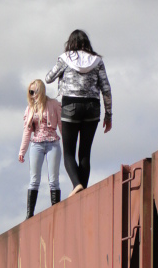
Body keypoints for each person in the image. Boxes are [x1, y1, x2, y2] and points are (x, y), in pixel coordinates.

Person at [45, 29, 112, 196]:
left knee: (69, 152)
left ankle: (77, 185)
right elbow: (106, 89)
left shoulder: (65, 58)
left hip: (70, 105)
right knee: (85, 153)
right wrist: (108, 115)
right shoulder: (97, 61)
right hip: (92, 107)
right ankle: (82, 192)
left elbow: (48, 78)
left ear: (70, 43)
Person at [18, 79, 62, 219]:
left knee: (53, 180)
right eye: (31, 92)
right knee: (34, 179)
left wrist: (68, 144)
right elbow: (27, 131)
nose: (33, 95)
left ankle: (56, 211)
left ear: (41, 90)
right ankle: (29, 215)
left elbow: (61, 125)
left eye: (35, 91)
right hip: (36, 144)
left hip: (52, 143)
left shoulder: (53, 104)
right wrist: (22, 151)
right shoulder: (30, 108)